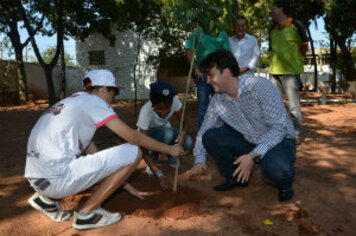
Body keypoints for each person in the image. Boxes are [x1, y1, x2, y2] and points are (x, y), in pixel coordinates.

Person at [24, 69, 183, 230]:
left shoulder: (71, 103)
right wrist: (169, 149)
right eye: (113, 93)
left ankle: (46, 200)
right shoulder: (94, 102)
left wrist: (126, 186)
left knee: (117, 155)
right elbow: (133, 137)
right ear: (103, 89)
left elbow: (96, 159)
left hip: (37, 180)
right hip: (56, 181)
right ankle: (87, 214)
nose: (112, 99)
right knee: (135, 151)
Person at [191, 50, 296, 202]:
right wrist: (199, 160)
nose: (207, 81)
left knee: (276, 169)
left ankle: (285, 184)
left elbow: (279, 128)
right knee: (211, 136)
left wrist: (253, 157)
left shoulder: (259, 86)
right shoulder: (217, 101)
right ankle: (236, 178)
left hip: (279, 140)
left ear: (226, 72)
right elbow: (204, 131)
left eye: (211, 75)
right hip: (249, 139)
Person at [269, 0, 309, 143]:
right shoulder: (272, 30)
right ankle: (277, 133)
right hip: (274, 73)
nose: (271, 11)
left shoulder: (296, 25)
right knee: (275, 106)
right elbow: (272, 50)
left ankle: (296, 134)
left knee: (293, 106)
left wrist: (295, 59)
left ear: (280, 8)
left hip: (291, 73)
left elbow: (305, 47)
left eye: (273, 8)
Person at [137, 81, 192, 177]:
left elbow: (185, 121)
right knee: (167, 134)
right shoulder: (145, 111)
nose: (164, 112)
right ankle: (153, 160)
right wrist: (157, 172)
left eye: (167, 108)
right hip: (149, 135)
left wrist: (182, 136)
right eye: (160, 109)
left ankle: (172, 157)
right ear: (153, 105)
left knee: (188, 141)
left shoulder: (174, 101)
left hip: (166, 129)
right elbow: (143, 143)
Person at [185, 27, 231, 132]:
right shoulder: (198, 33)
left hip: (217, 75)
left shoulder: (221, 32)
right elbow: (188, 50)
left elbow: (227, 54)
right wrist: (196, 69)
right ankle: (202, 136)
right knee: (202, 107)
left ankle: (217, 134)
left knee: (220, 106)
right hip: (203, 74)